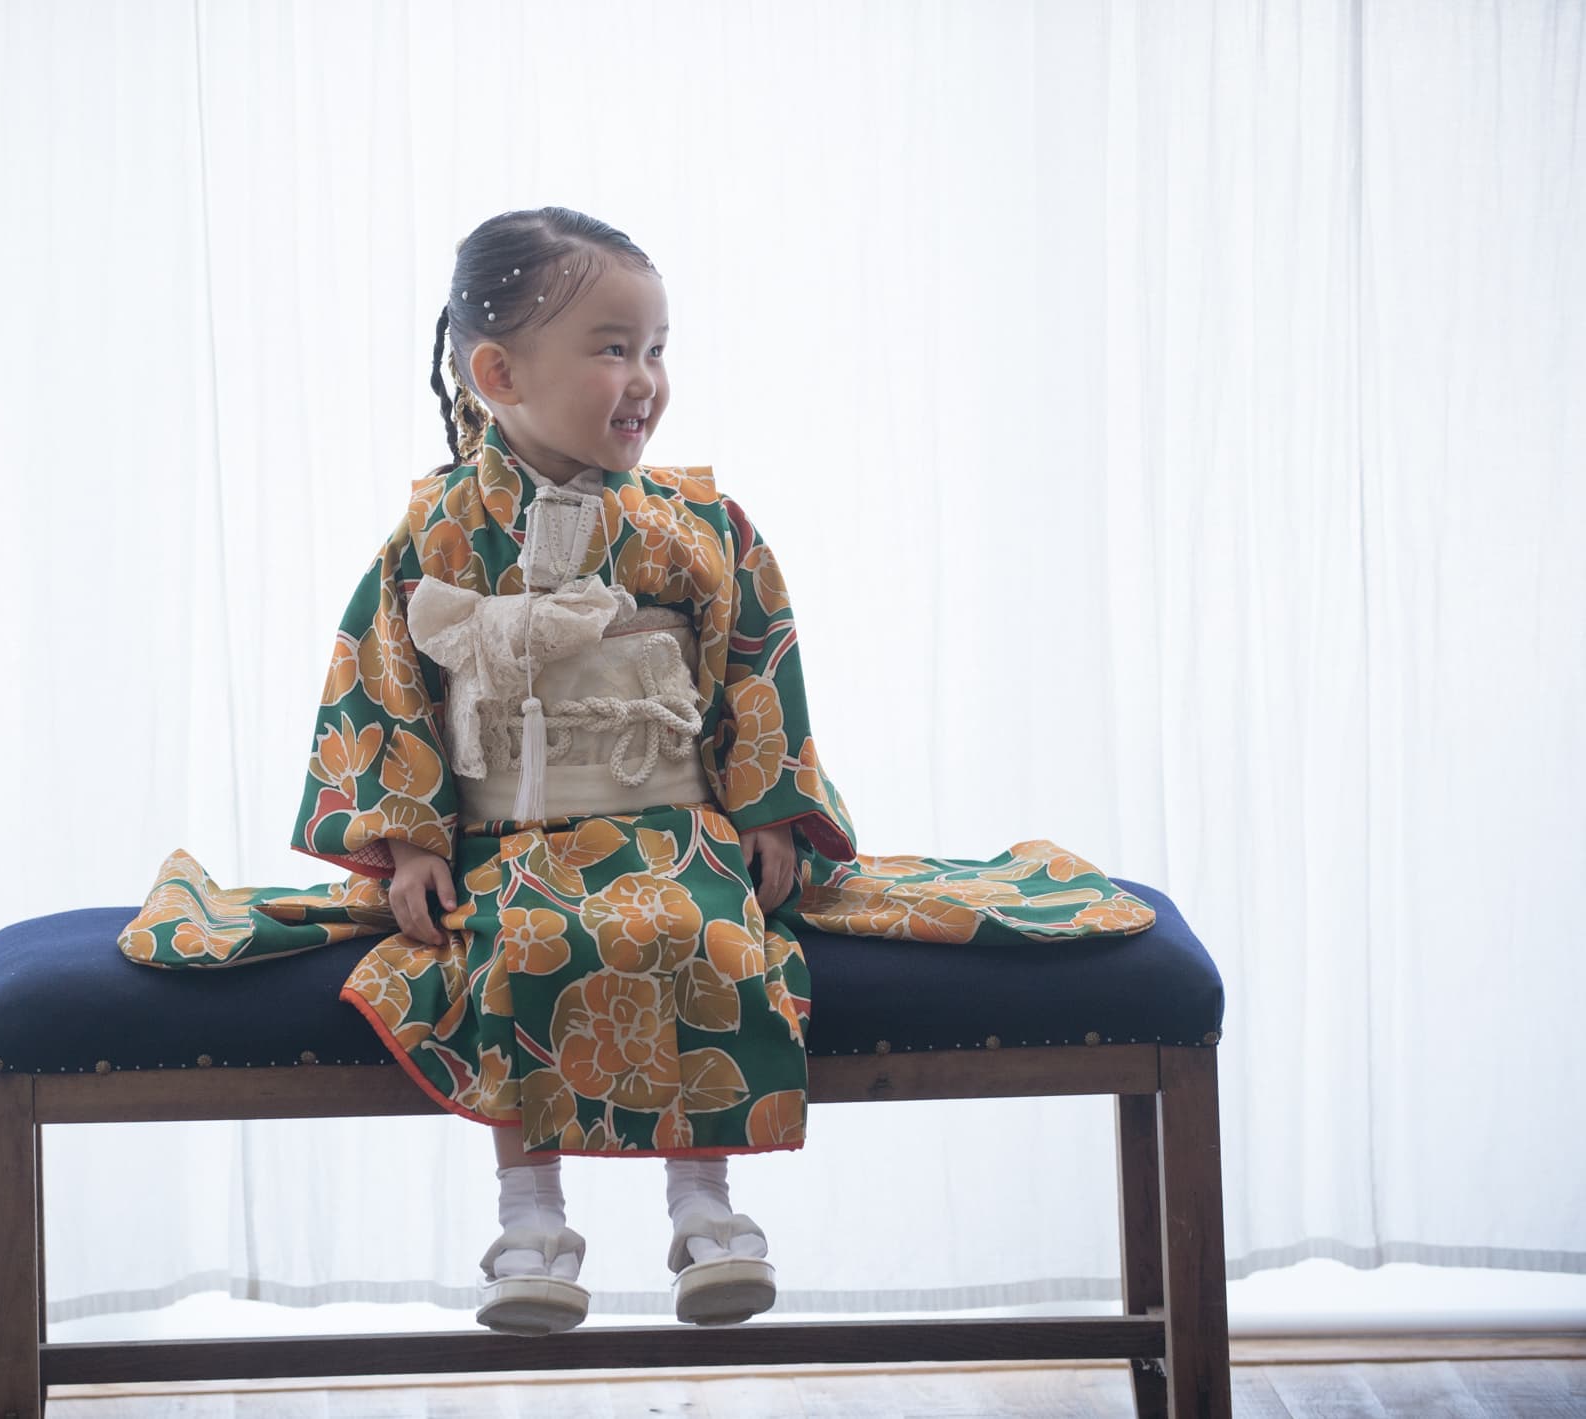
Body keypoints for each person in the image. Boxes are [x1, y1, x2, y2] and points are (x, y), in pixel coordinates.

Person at [112, 206, 1158, 1339]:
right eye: (613, 349)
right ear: (498, 374)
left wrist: (767, 810)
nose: (646, 379)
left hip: (672, 825)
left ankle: (704, 1205)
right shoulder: (435, 534)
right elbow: (381, 679)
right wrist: (408, 841)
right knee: (516, 946)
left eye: (657, 348)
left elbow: (757, 661)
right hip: (507, 841)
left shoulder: (697, 523)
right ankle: (529, 1222)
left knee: (704, 934)